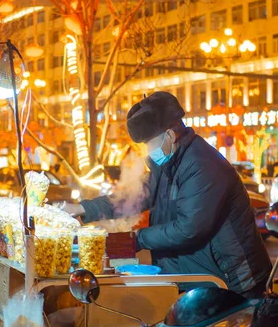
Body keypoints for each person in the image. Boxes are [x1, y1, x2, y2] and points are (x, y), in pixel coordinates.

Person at [66, 91, 272, 298]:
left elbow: (188, 229)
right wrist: (83, 209)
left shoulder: (201, 165)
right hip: (197, 275)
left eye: (150, 144)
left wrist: (138, 238)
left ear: (170, 135)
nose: (148, 151)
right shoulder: (169, 163)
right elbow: (134, 196)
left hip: (231, 281)